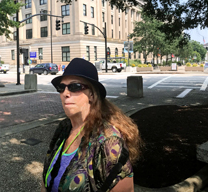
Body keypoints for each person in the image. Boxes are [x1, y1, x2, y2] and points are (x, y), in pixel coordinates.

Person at [43, 58, 141, 192]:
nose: (65, 93)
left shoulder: (108, 140)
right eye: (61, 87)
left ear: (92, 95)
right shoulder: (64, 127)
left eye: (75, 87)